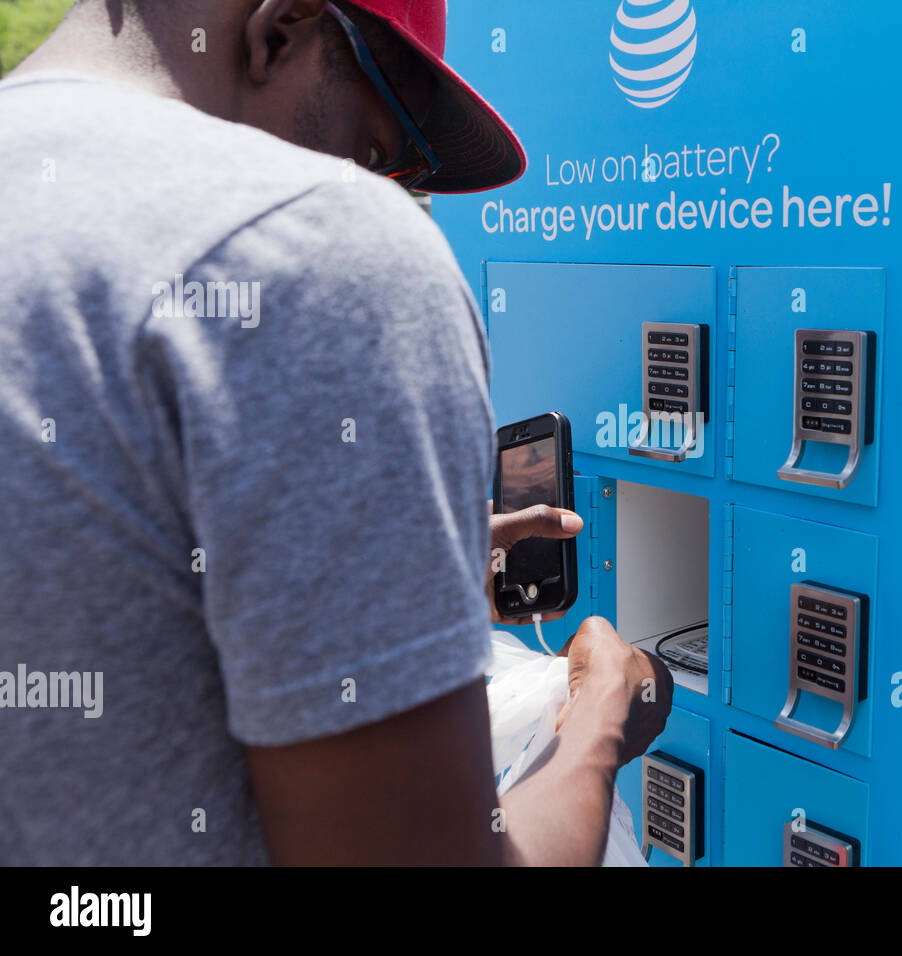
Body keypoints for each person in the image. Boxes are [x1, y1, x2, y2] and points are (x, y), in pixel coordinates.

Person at [0, 0, 670, 865]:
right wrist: (600, 719)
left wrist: (363, 595)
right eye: (373, 149)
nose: (376, 186)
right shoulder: (314, 249)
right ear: (282, 27)